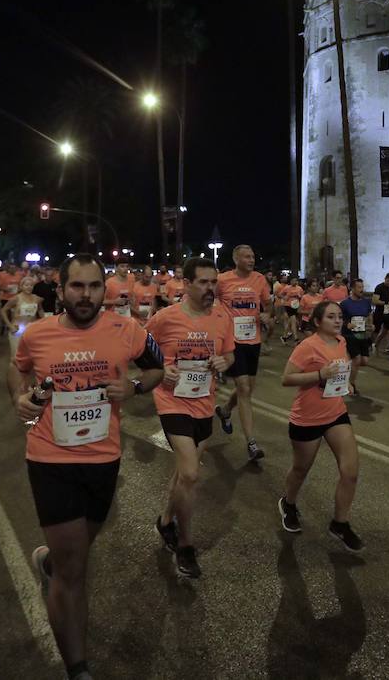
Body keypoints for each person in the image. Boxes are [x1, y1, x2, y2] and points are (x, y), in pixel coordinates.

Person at [10, 254, 164, 680]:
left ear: (104, 290)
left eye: (94, 286)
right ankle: (78, 668)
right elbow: (17, 369)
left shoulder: (127, 330)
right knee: (75, 571)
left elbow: (157, 367)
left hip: (103, 460)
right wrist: (19, 399)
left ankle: (50, 565)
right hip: (50, 460)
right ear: (60, 290)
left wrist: (134, 386)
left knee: (76, 552)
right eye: (77, 286)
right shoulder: (37, 334)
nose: (86, 295)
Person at [145, 258, 235, 579]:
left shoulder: (222, 317)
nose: (211, 288)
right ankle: (185, 545)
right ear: (186, 284)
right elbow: (141, 351)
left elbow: (229, 353)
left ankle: (165, 521)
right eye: (203, 282)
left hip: (204, 402)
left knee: (184, 476)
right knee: (191, 473)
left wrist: (224, 362)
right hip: (172, 402)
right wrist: (161, 369)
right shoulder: (165, 318)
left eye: (214, 282)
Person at [277, 300, 364, 552]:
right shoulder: (307, 346)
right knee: (301, 469)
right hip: (308, 418)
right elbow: (286, 378)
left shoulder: (341, 342)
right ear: (317, 321)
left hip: (336, 414)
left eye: (340, 317)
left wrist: (346, 383)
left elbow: (342, 369)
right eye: (331, 317)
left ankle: (340, 523)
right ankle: (288, 503)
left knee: (350, 471)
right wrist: (319, 375)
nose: (338, 321)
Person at [215, 244, 271, 463]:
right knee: (244, 388)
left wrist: (267, 315)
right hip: (232, 341)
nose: (251, 260)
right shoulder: (223, 280)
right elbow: (210, 301)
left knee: (247, 389)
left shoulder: (259, 279)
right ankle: (251, 442)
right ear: (236, 259)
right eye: (247, 257)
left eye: (253, 256)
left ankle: (225, 410)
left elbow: (268, 304)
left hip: (253, 340)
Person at [339, 277, 375, 397]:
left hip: (362, 335)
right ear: (353, 289)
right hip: (349, 335)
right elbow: (339, 318)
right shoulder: (345, 304)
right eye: (359, 287)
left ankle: (346, 368)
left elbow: (369, 315)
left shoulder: (366, 302)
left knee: (364, 361)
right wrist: (346, 324)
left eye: (362, 287)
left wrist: (371, 325)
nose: (361, 289)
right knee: (357, 359)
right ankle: (351, 384)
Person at [4, 276, 46, 361]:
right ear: (21, 286)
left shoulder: (36, 298)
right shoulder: (16, 298)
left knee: (31, 357)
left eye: (31, 285)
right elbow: (3, 310)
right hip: (17, 330)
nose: (29, 287)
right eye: (26, 285)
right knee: (16, 358)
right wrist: (9, 325)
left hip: (31, 330)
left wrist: (44, 321)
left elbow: (40, 310)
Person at [280, 275, 304, 343]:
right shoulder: (287, 288)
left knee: (291, 321)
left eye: (296, 280)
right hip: (288, 305)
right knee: (293, 320)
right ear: (290, 281)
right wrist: (285, 298)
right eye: (293, 280)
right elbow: (280, 294)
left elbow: (302, 297)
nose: (294, 282)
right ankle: (296, 338)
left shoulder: (299, 288)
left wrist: (299, 297)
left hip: (296, 306)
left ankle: (284, 336)